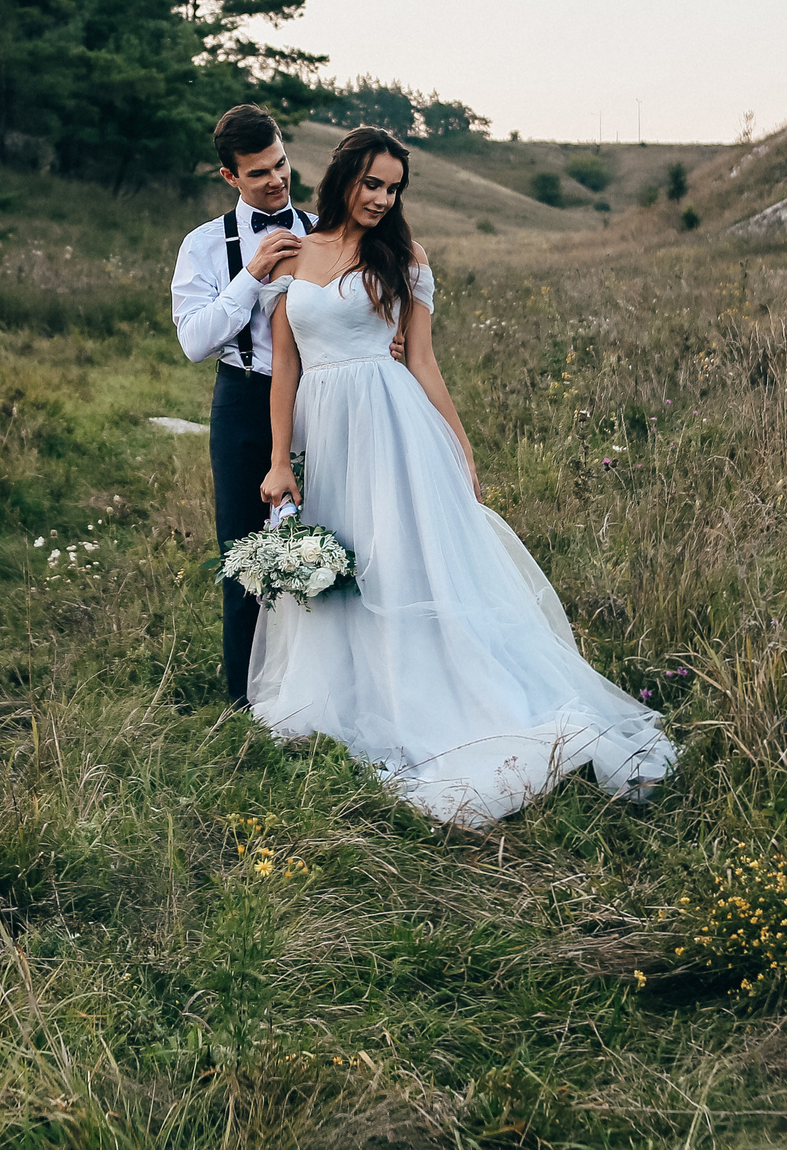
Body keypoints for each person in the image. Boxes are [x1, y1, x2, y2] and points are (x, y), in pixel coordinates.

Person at [249, 126, 676, 826]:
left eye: (394, 188)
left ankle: (452, 701)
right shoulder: (296, 254)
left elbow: (421, 362)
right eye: (373, 183)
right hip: (329, 439)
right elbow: (285, 366)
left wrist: (461, 448)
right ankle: (359, 690)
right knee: (347, 568)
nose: (384, 199)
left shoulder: (406, 258)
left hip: (394, 428)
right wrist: (276, 460)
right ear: (344, 178)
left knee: (403, 565)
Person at [169, 106, 317, 706]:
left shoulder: (325, 230)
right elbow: (193, 341)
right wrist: (250, 275)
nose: (277, 180)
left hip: (323, 399)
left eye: (281, 164)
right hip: (243, 399)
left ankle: (318, 691)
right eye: (259, 174)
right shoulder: (202, 247)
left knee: (327, 539)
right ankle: (245, 701)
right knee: (246, 556)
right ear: (230, 177)